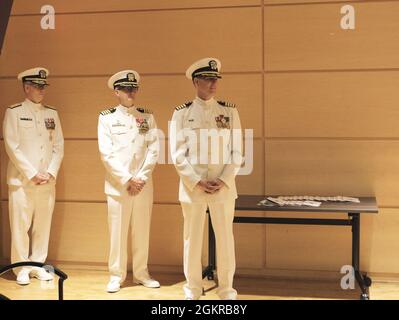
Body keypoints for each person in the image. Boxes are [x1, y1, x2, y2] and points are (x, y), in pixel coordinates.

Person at [170, 58, 243, 300]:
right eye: (208, 79)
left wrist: (224, 179)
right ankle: (192, 288)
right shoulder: (182, 113)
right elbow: (177, 153)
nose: (214, 84)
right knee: (192, 239)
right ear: (196, 81)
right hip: (194, 188)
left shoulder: (228, 111)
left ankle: (226, 289)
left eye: (216, 79)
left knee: (225, 239)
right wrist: (197, 180)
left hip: (223, 188)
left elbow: (238, 151)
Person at [98, 70, 160, 293]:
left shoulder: (147, 117)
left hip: (143, 185)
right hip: (118, 186)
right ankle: (116, 275)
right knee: (118, 232)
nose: (131, 91)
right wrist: (127, 179)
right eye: (126, 88)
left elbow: (153, 150)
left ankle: (141, 273)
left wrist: (140, 178)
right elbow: (106, 154)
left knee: (142, 230)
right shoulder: (106, 118)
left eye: (134, 88)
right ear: (117, 92)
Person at [3, 67, 64, 285]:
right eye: (37, 86)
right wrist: (31, 173)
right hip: (22, 181)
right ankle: (21, 268)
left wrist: (50, 172)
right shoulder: (14, 111)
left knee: (42, 225)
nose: (41, 90)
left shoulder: (52, 113)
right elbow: (12, 146)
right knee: (20, 226)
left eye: (43, 86)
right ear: (26, 87)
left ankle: (38, 265)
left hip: (47, 181)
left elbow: (58, 145)